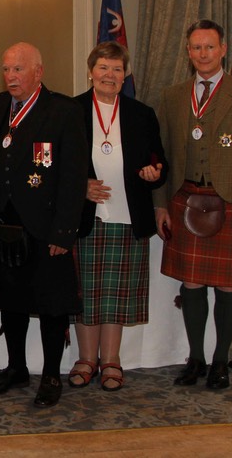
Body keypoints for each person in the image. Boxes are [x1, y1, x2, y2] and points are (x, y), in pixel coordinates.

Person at [154, 20, 232, 390]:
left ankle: (220, 360)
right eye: (196, 47)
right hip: (185, 199)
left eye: (209, 47)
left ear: (222, 49)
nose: (203, 54)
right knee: (191, 283)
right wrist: (160, 205)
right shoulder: (173, 96)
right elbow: (161, 155)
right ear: (188, 52)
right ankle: (196, 359)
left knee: (227, 285)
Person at [0, 42, 88, 408]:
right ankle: (16, 368)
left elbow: (73, 177)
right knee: (11, 302)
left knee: (51, 306)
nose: (10, 76)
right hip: (6, 226)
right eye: (6, 69)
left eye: (18, 69)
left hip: (46, 228)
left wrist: (64, 231)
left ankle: (52, 374)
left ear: (38, 72)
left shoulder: (63, 111)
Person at [69, 42, 166, 392]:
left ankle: (111, 360)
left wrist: (154, 172)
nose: (109, 75)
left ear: (125, 75)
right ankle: (86, 359)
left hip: (128, 215)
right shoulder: (71, 110)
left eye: (117, 69)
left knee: (115, 294)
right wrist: (81, 185)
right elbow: (55, 162)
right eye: (103, 68)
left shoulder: (142, 113)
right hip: (85, 217)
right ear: (91, 71)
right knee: (86, 293)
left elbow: (159, 160)